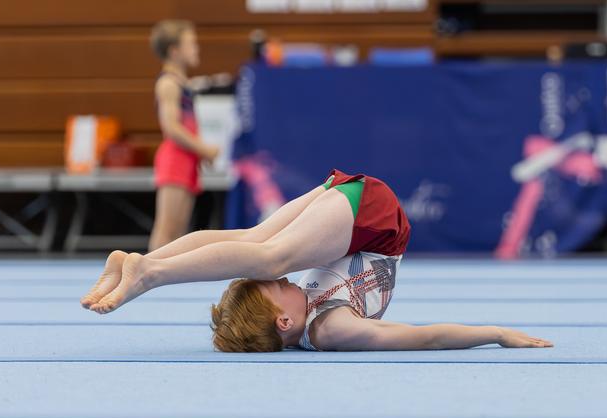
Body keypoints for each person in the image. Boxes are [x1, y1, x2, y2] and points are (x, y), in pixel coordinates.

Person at [80, 169, 554, 352]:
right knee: (265, 250)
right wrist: (494, 333)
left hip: (361, 219)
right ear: (284, 319)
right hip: (371, 219)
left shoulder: (302, 316)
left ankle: (146, 264)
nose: (286, 279)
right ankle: (150, 271)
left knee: (258, 242)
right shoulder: (332, 330)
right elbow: (420, 336)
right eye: (276, 285)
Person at [148, 19, 219, 251]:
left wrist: (199, 153)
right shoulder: (168, 83)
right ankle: (145, 278)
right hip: (175, 158)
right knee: (166, 230)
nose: (196, 48)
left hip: (187, 159)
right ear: (174, 51)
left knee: (178, 234)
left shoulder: (183, 82)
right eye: (191, 44)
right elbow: (171, 127)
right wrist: (204, 148)